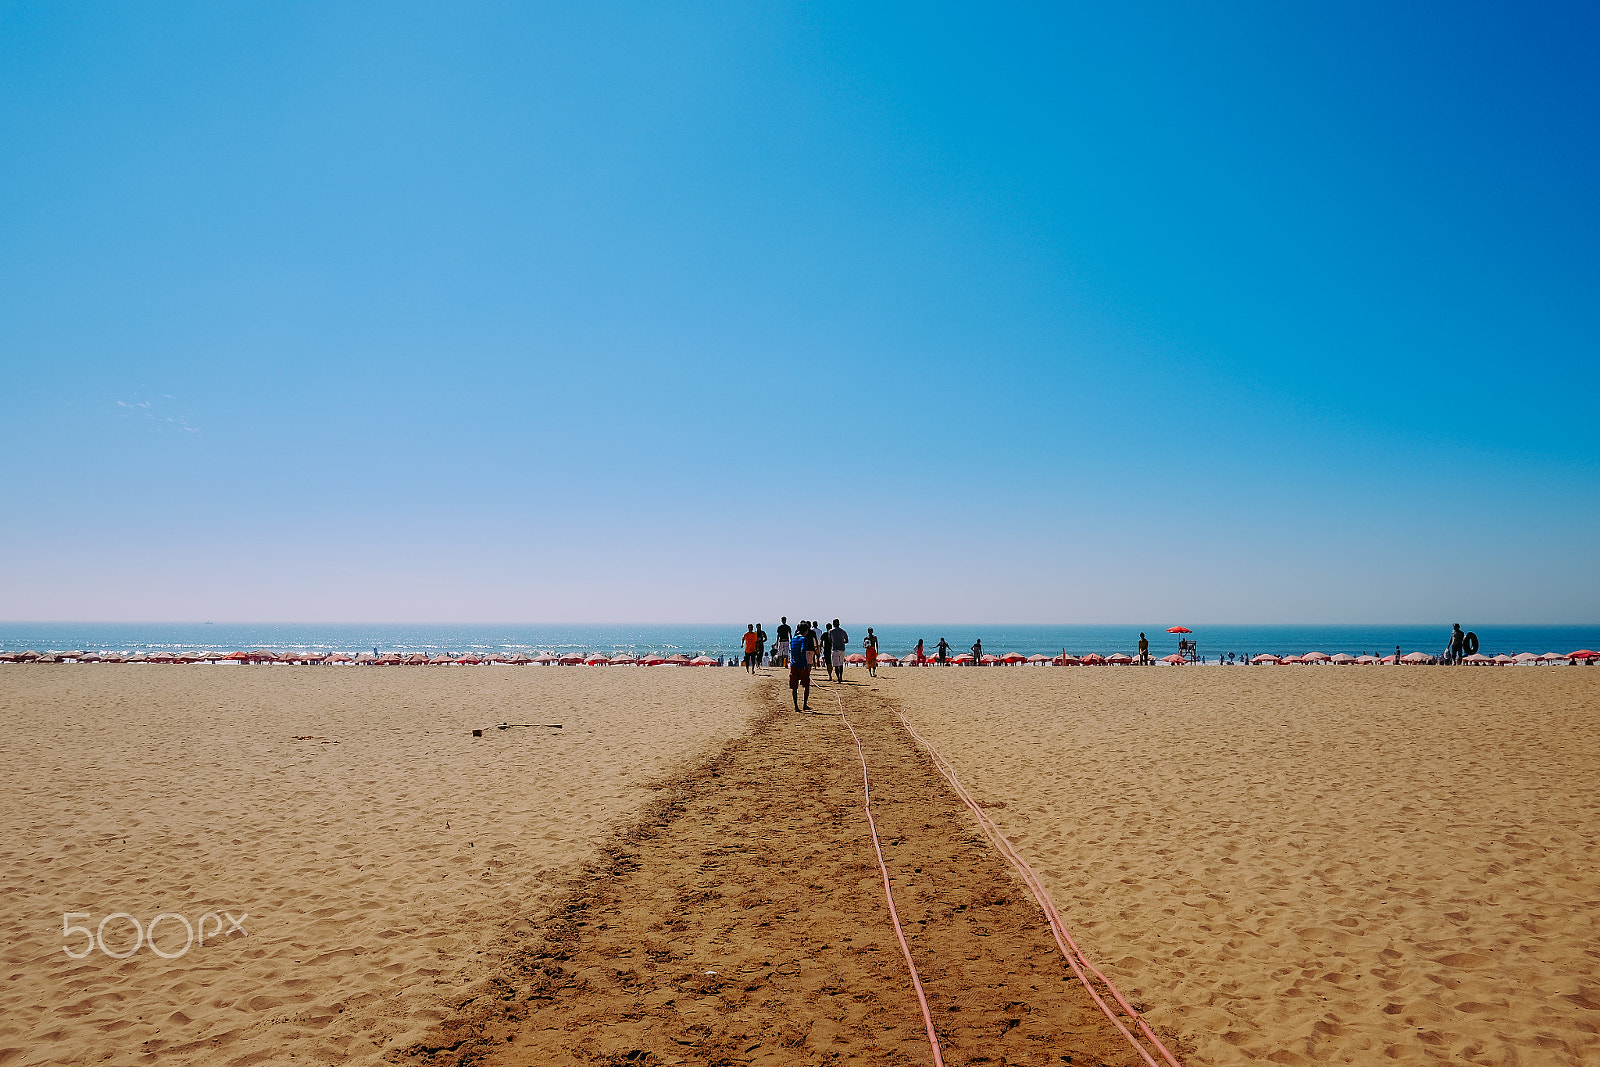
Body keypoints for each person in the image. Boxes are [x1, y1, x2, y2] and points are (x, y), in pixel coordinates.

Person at [788, 624, 811, 711]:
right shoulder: (804, 639)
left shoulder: (793, 639)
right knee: (806, 685)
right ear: (806, 630)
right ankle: (804, 704)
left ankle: (796, 706)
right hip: (801, 665)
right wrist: (805, 665)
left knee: (794, 686)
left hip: (793, 664)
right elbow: (802, 651)